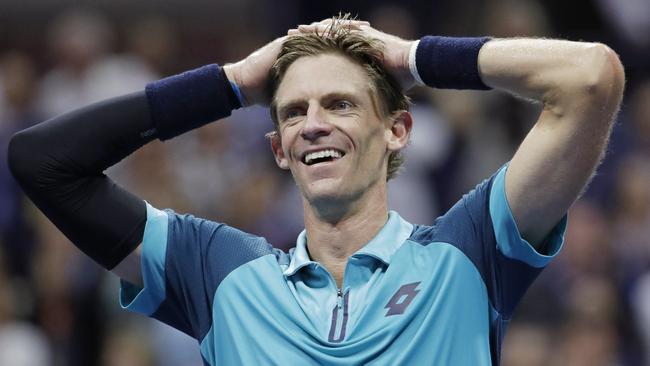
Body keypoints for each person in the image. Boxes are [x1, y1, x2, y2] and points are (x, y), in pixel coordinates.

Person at [8, 16, 624, 365]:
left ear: (398, 130)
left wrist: (412, 57)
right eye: (293, 112)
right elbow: (43, 162)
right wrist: (231, 84)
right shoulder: (216, 270)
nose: (315, 123)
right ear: (279, 149)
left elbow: (590, 78)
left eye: (341, 103)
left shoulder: (468, 252)